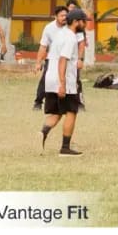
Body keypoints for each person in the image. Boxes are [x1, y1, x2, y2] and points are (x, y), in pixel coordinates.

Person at [40, 9, 88, 156]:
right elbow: (63, 60)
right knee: (71, 112)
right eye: (83, 21)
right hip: (64, 80)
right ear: (75, 22)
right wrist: (62, 84)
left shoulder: (60, 34)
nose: (85, 24)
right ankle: (65, 148)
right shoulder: (70, 38)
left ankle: (41, 134)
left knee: (56, 113)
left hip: (50, 78)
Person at [32, 5, 68, 111]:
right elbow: (43, 46)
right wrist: (38, 62)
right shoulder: (49, 28)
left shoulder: (70, 27)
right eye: (62, 16)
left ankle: (68, 103)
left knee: (68, 80)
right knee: (46, 80)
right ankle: (38, 102)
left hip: (66, 59)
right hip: (52, 59)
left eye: (66, 15)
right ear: (55, 16)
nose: (64, 18)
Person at [65, 0, 87, 111]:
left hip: (73, 60)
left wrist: (80, 59)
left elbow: (82, 44)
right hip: (62, 60)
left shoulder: (78, 30)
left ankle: (80, 102)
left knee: (76, 80)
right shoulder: (61, 27)